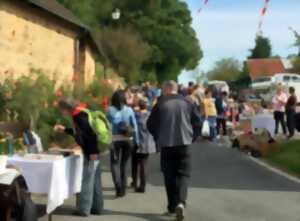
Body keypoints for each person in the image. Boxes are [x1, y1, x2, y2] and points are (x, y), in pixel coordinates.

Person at [147, 80, 201, 221]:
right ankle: (181, 203)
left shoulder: (160, 104)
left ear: (166, 90)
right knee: (183, 175)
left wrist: (158, 137)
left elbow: (150, 124)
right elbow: (197, 122)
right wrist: (193, 137)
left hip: (167, 145)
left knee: (169, 176)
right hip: (185, 144)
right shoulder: (188, 103)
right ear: (176, 90)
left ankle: (172, 207)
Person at [54, 98, 103, 217]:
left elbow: (89, 135)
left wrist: (91, 152)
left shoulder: (79, 117)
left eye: (61, 109)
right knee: (95, 181)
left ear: (66, 108)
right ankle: (97, 207)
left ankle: (84, 210)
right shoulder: (82, 113)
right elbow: (80, 133)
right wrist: (65, 129)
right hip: (95, 150)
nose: (61, 112)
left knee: (86, 181)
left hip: (91, 152)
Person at [107, 90, 139, 197]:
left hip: (115, 140)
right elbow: (135, 126)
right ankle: (123, 189)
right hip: (128, 140)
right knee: (124, 165)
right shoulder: (129, 110)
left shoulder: (110, 110)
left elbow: (107, 125)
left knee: (114, 164)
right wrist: (137, 141)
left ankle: (118, 187)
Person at [132, 98, 156, 193]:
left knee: (134, 163)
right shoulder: (151, 115)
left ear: (139, 106)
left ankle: (134, 182)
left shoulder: (136, 115)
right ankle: (143, 185)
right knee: (143, 165)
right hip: (148, 143)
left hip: (137, 142)